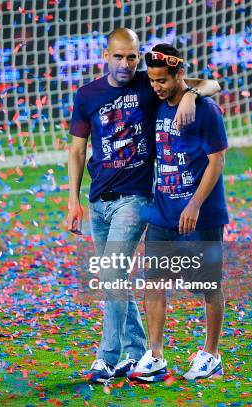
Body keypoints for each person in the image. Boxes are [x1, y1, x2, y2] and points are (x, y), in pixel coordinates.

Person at [66, 29, 221, 383]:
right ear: (106, 55)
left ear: (138, 55)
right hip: (98, 201)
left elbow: (211, 83)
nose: (126, 64)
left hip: (135, 199)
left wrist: (190, 96)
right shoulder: (88, 95)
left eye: (132, 56)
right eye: (119, 56)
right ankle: (139, 353)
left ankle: (106, 358)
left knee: (112, 274)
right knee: (114, 278)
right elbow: (76, 150)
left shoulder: (150, 84)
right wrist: (73, 200)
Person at [128, 43, 229, 382]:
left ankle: (212, 354)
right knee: (154, 281)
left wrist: (196, 204)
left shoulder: (207, 111)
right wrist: (185, 93)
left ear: (179, 74)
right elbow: (199, 82)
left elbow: (217, 160)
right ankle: (155, 355)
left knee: (208, 284)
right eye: (153, 80)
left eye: (163, 81)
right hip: (164, 211)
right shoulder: (155, 103)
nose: (156, 86)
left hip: (201, 212)